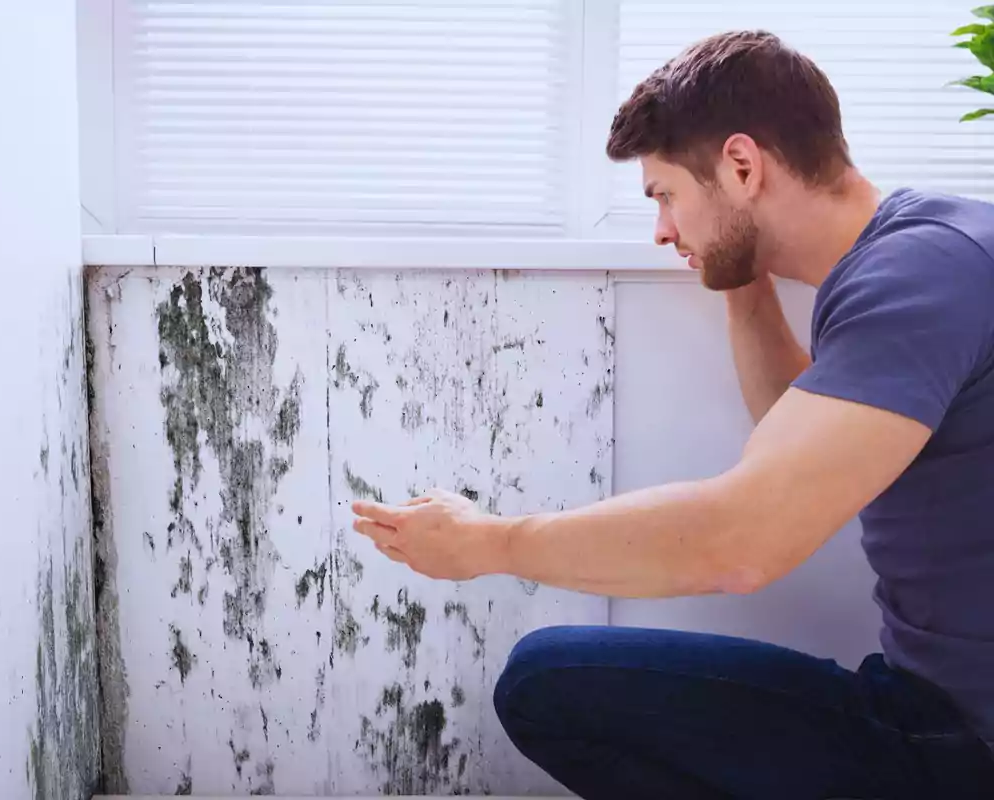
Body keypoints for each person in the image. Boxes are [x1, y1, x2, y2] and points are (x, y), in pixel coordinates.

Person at [349, 29, 994, 800]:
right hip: (934, 708)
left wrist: (489, 543)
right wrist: (740, 275)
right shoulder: (918, 252)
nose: (661, 230)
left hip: (956, 742)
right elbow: (797, 440)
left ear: (742, 166)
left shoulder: (919, 277)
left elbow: (744, 541)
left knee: (546, 682)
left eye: (665, 196)